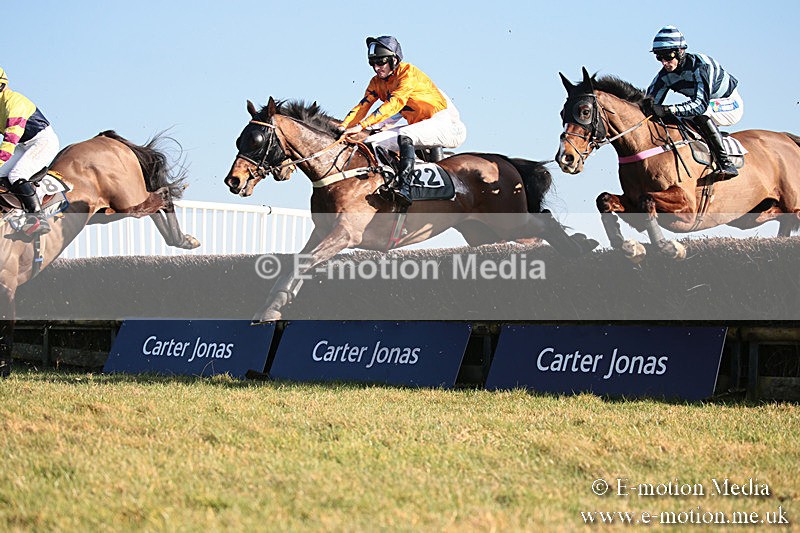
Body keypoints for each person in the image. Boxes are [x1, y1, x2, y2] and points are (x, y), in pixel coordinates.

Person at [340, 36, 467, 207]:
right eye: (373, 63)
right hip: (420, 126)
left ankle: (405, 188)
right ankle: (390, 182)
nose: (376, 68)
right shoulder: (377, 82)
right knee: (372, 142)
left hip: (446, 124)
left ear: (394, 60)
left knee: (406, 134)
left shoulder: (408, 74)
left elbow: (394, 105)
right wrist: (343, 127)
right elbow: (363, 106)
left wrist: (361, 126)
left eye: (381, 62)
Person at [644, 25, 743, 179]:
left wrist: (668, 109)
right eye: (659, 57)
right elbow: (648, 103)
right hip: (705, 104)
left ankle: (726, 162)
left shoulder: (701, 66)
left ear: (680, 52)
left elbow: (700, 105)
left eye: (668, 56)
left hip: (728, 104)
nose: (664, 62)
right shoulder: (665, 75)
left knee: (701, 113)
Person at [0, 66, 60, 235]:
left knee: (16, 175)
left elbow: (9, 141)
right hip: (25, 144)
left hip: (43, 141)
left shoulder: (14, 103)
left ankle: (37, 219)